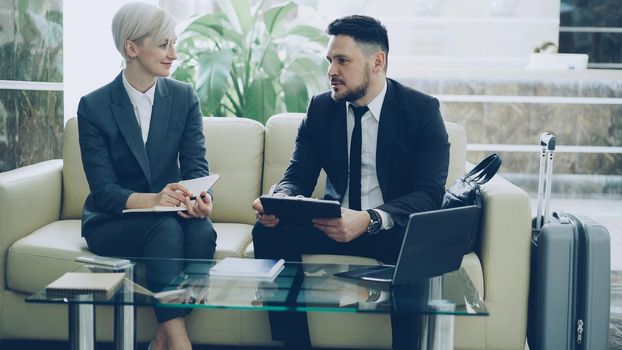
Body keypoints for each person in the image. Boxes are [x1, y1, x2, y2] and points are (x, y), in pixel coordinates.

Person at [251, 15, 450, 350]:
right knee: (267, 230)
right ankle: (295, 342)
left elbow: (430, 194)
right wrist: (279, 200)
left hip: (389, 228)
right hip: (332, 224)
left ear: (377, 61)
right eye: (330, 61)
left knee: (418, 242)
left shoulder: (421, 111)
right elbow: (297, 176)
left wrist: (370, 219)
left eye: (343, 60)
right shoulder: (321, 108)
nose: (331, 70)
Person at [77, 3, 217, 350]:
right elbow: (103, 190)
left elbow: (196, 166)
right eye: (164, 44)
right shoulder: (93, 106)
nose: (174, 54)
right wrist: (153, 200)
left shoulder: (183, 98)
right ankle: (180, 340)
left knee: (202, 232)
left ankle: (163, 335)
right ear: (131, 48)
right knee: (165, 228)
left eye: (174, 43)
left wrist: (200, 200)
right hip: (113, 219)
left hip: (171, 213)